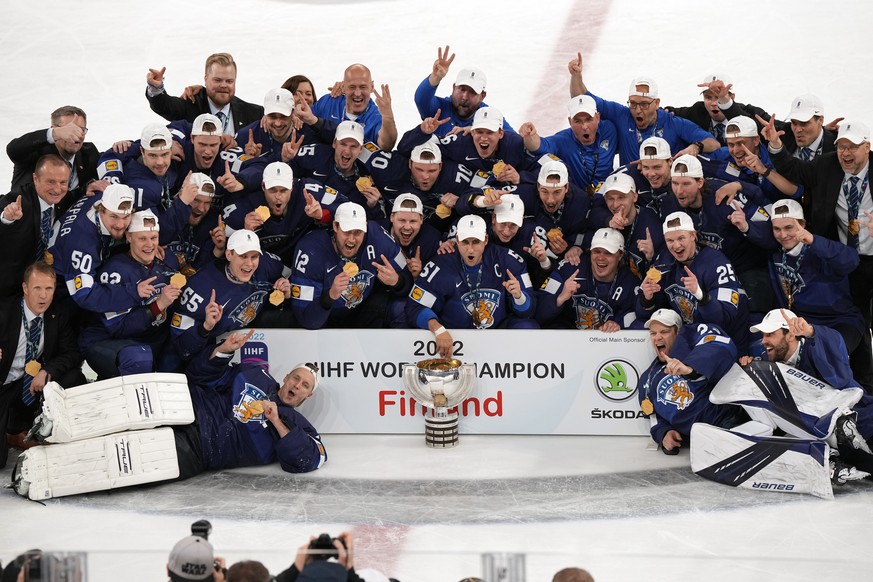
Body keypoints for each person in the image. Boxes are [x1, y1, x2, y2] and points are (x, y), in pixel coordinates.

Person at [738, 309, 873, 481]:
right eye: (763, 335)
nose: (764, 341)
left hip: (864, 420)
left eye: (770, 334)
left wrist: (812, 332)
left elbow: (840, 374)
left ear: (790, 336)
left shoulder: (816, 347)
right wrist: (750, 373)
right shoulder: (768, 363)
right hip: (835, 444)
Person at [764, 198, 871, 389]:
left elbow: (851, 260)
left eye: (789, 227)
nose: (783, 235)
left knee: (827, 359)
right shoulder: (775, 255)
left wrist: (812, 240)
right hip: (802, 322)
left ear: (803, 224)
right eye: (777, 229)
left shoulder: (821, 249)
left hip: (840, 321)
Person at [406, 214, 538, 358]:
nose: (470, 250)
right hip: (452, 336)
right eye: (465, 242)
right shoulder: (439, 266)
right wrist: (437, 329)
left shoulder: (508, 260)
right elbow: (414, 306)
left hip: (497, 333)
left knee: (527, 327)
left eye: (476, 242)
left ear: (485, 240)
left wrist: (519, 297)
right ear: (456, 240)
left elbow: (528, 311)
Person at [659, 154, 776, 314]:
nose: (679, 190)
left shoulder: (726, 197)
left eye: (686, 183)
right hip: (704, 270)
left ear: (700, 182)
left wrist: (747, 227)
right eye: (675, 183)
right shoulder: (669, 204)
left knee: (753, 313)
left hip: (745, 268)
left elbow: (771, 233)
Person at [78, 210, 184, 379]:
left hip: (150, 339)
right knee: (138, 357)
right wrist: (159, 305)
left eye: (153, 238)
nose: (149, 245)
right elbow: (120, 329)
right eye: (142, 238)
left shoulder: (167, 261)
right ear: (128, 237)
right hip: (110, 341)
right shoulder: (115, 271)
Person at [568, 52, 719, 165]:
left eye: (644, 104)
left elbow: (713, 143)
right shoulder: (622, 114)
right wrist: (576, 76)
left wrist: (696, 147)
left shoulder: (673, 122)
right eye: (633, 103)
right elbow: (582, 100)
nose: (638, 110)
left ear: (657, 103)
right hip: (630, 188)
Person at [0, 262, 83, 468]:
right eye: (37, 288)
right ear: (25, 288)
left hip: (26, 384)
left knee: (73, 377)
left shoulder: (57, 314)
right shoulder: (5, 311)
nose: (43, 296)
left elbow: (71, 353)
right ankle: (11, 431)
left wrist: (48, 370)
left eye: (49, 289)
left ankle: (32, 429)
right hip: (3, 383)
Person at [170, 229, 292, 363]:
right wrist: (205, 327)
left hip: (242, 341)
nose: (249, 263)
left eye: (254, 256)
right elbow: (181, 348)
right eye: (243, 256)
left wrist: (286, 294)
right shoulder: (200, 288)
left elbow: (291, 277)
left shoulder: (267, 265)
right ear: (229, 254)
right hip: (204, 354)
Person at [638, 211, 749, 352]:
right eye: (670, 241)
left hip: (727, 343)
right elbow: (643, 315)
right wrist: (647, 300)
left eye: (681, 238)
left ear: (693, 235)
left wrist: (701, 295)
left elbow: (724, 319)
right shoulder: (663, 261)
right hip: (692, 337)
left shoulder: (717, 264)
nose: (676, 246)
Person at [290, 202, 412, 329]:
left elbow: (409, 281)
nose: (352, 239)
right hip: (325, 320)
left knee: (402, 306)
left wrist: (397, 281)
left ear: (365, 228)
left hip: (363, 311)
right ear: (335, 226)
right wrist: (329, 296)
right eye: (347, 231)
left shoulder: (377, 238)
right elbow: (306, 319)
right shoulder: (310, 250)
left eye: (358, 232)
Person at [639, 308, 745, 454]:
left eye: (664, 332)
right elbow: (654, 417)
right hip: (695, 443)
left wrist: (691, 368)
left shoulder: (695, 344)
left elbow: (719, 347)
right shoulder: (648, 378)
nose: (657, 338)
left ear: (678, 332)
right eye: (653, 333)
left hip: (727, 423)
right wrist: (663, 433)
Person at [48, 183, 140, 313]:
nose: (120, 224)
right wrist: (134, 293)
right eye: (114, 217)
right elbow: (85, 296)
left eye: (126, 217)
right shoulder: (82, 247)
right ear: (101, 211)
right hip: (60, 282)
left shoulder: (103, 195)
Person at [222, 161, 329, 264]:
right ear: (263, 186)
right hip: (261, 264)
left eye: (283, 190)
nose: (278, 196)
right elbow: (226, 253)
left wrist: (321, 216)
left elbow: (342, 208)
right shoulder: (243, 206)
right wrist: (245, 233)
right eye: (272, 190)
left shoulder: (308, 194)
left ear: (292, 187)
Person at [536, 227, 640, 330]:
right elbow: (539, 314)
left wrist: (618, 326)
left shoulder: (630, 283)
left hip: (606, 342)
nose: (601, 257)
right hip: (568, 338)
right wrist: (560, 298)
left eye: (608, 253)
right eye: (596, 251)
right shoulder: (568, 269)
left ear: (620, 255)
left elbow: (637, 322)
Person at [6, 105, 103, 214]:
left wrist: (121, 146)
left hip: (66, 226)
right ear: (54, 129)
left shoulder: (88, 153)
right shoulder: (34, 152)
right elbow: (13, 149)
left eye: (81, 130)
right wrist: (55, 134)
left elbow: (111, 160)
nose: (76, 135)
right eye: (68, 129)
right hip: (21, 221)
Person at [0, 154, 70, 298]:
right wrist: (6, 218)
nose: (57, 189)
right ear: (35, 179)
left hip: (44, 287)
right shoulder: (16, 200)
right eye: (51, 182)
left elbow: (73, 195)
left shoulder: (63, 199)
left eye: (63, 182)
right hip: (8, 288)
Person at [145, 53, 264, 134]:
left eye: (229, 81)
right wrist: (156, 88)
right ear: (206, 79)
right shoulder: (190, 105)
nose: (224, 85)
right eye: (217, 80)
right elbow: (165, 106)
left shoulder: (254, 114)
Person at [518, 94, 617, 191]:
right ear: (570, 121)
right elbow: (538, 146)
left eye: (589, 119)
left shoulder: (609, 130)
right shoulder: (562, 140)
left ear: (598, 117)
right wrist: (530, 135)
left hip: (609, 195)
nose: (584, 126)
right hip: (578, 198)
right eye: (578, 121)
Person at [413, 45, 512, 136]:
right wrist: (435, 78)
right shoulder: (439, 109)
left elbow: (514, 141)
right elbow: (421, 100)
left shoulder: (489, 116)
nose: (464, 97)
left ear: (482, 96)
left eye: (472, 92)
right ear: (454, 88)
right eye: (461, 89)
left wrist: (477, 130)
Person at [586, 171, 663, 280]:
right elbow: (591, 217)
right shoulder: (604, 214)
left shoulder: (651, 228)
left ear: (635, 197)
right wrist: (609, 221)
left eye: (622, 197)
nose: (615, 204)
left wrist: (651, 257)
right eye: (611, 198)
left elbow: (663, 270)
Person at [311, 63, 397, 150]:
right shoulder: (328, 102)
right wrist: (297, 115)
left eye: (363, 87)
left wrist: (388, 117)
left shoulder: (378, 117)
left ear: (372, 87)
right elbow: (303, 119)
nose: (357, 93)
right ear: (343, 87)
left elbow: (386, 145)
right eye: (352, 87)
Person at [664, 75, 764, 146]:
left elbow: (766, 128)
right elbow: (674, 112)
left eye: (718, 97)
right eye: (708, 97)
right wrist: (667, 111)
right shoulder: (698, 111)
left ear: (732, 97)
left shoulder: (751, 112)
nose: (713, 103)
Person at [165, 173, 227, 274]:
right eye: (196, 200)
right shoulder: (163, 214)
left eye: (207, 203)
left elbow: (203, 268)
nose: (201, 208)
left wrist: (218, 249)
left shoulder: (211, 225)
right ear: (182, 195)